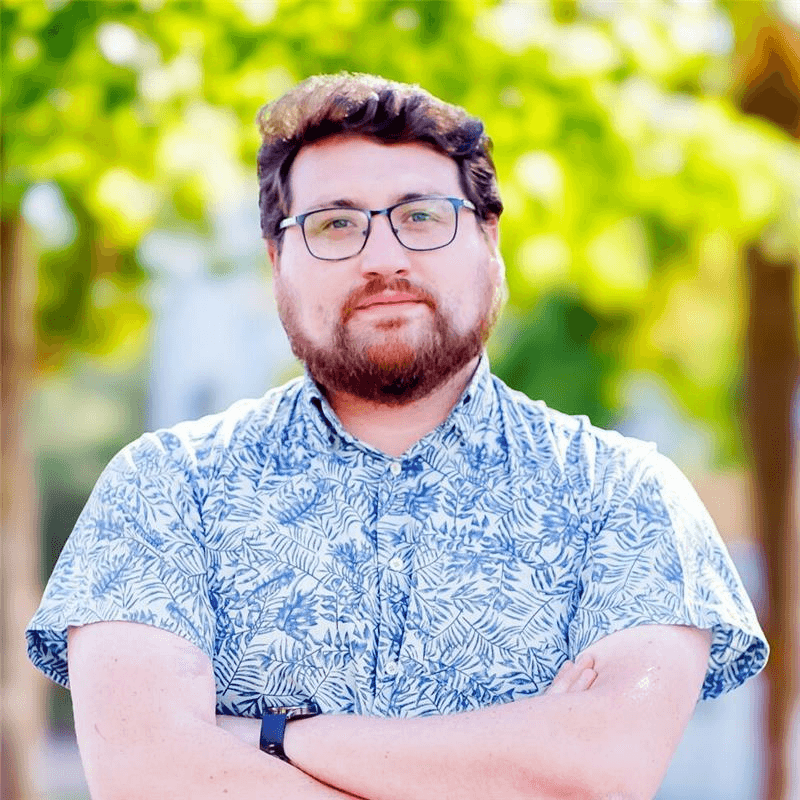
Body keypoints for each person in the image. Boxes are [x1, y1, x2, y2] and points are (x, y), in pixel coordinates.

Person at [27, 73, 767, 800]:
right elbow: (150, 776)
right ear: (278, 264)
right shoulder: (163, 489)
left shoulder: (624, 495)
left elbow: (600, 768)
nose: (383, 258)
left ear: (489, 242)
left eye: (421, 216)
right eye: (335, 224)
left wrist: (272, 736)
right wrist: (512, 763)